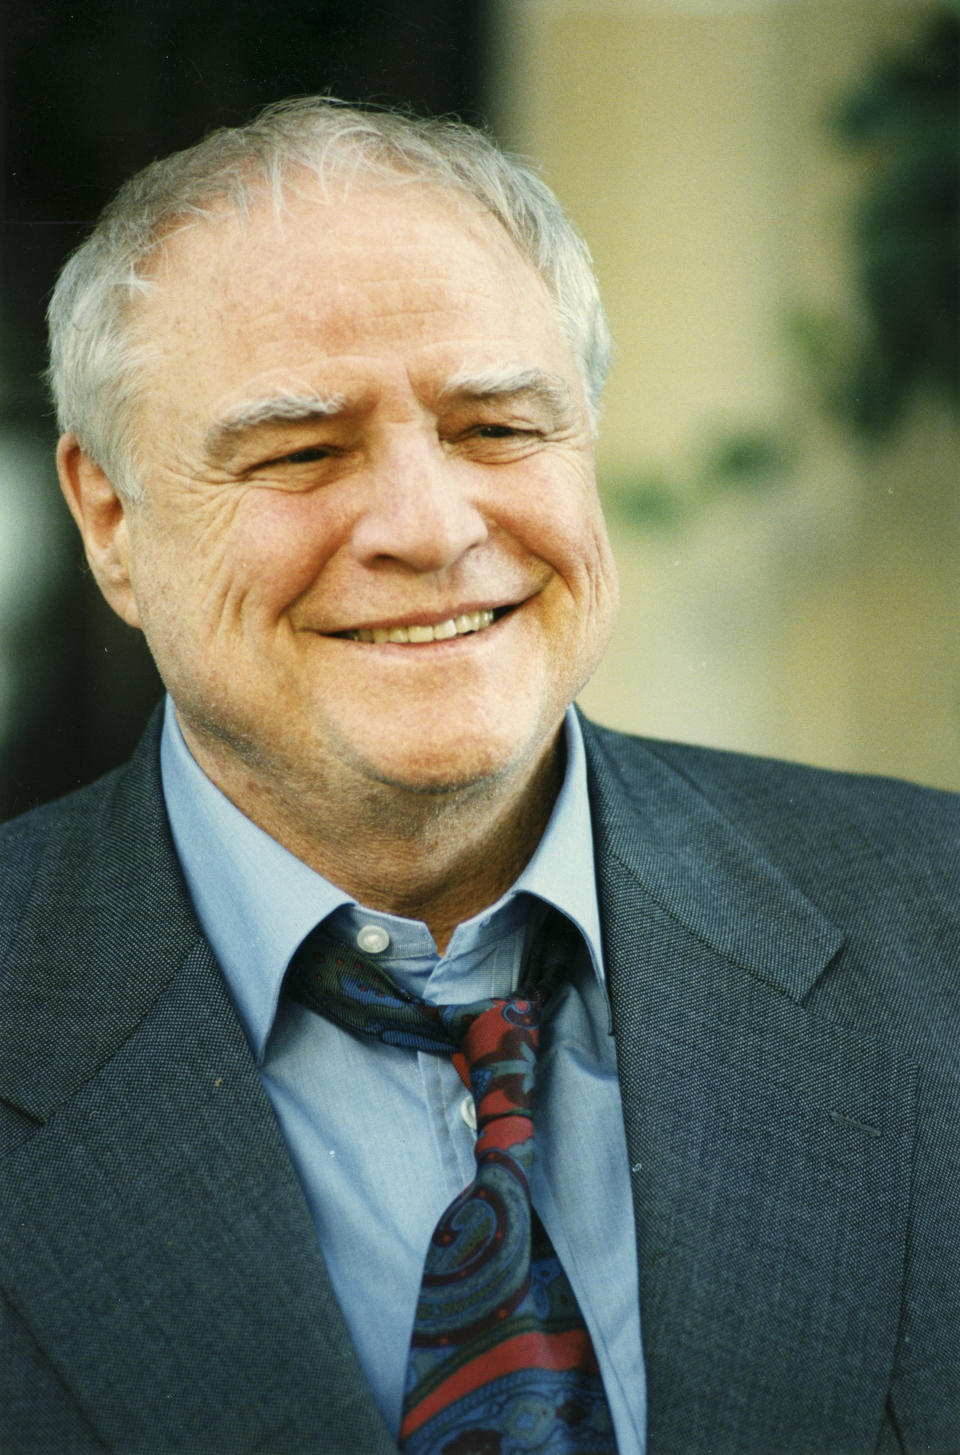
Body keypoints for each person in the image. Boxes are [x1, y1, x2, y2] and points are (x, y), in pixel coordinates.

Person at [0, 97, 956, 1455]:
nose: (428, 527)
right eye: (302, 453)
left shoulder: (942, 933)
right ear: (109, 520)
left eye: (497, 427)